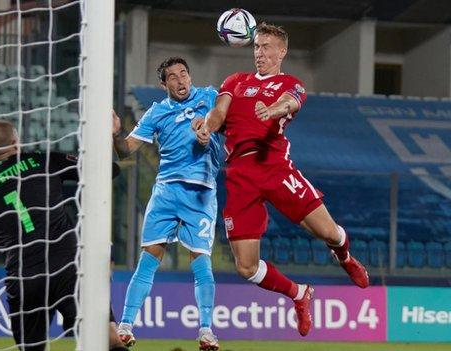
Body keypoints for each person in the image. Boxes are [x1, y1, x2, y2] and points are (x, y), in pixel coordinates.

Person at [195, 23, 369, 337]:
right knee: (246, 268)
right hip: (239, 176)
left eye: (266, 47)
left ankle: (345, 257)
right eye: (256, 47)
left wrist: (273, 109)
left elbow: (292, 102)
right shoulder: (235, 81)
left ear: (282, 51)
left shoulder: (291, 83)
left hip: (275, 168)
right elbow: (219, 113)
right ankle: (299, 294)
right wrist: (208, 124)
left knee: (331, 234)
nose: (259, 53)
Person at [0, 120, 127, 351]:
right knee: (108, 339)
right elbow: (109, 171)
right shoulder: (42, 160)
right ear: (16, 141)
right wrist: (110, 137)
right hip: (67, 266)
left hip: (24, 278)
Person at [112, 57, 222, 350]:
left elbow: (224, 120)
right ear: (164, 84)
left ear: (190, 75)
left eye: (183, 73)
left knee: (200, 260)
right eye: (172, 77)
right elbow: (125, 151)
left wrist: (207, 132)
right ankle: (125, 326)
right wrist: (114, 133)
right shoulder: (156, 113)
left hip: (201, 191)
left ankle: (206, 330)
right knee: (149, 259)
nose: (180, 80)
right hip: (166, 192)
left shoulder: (210, 96)